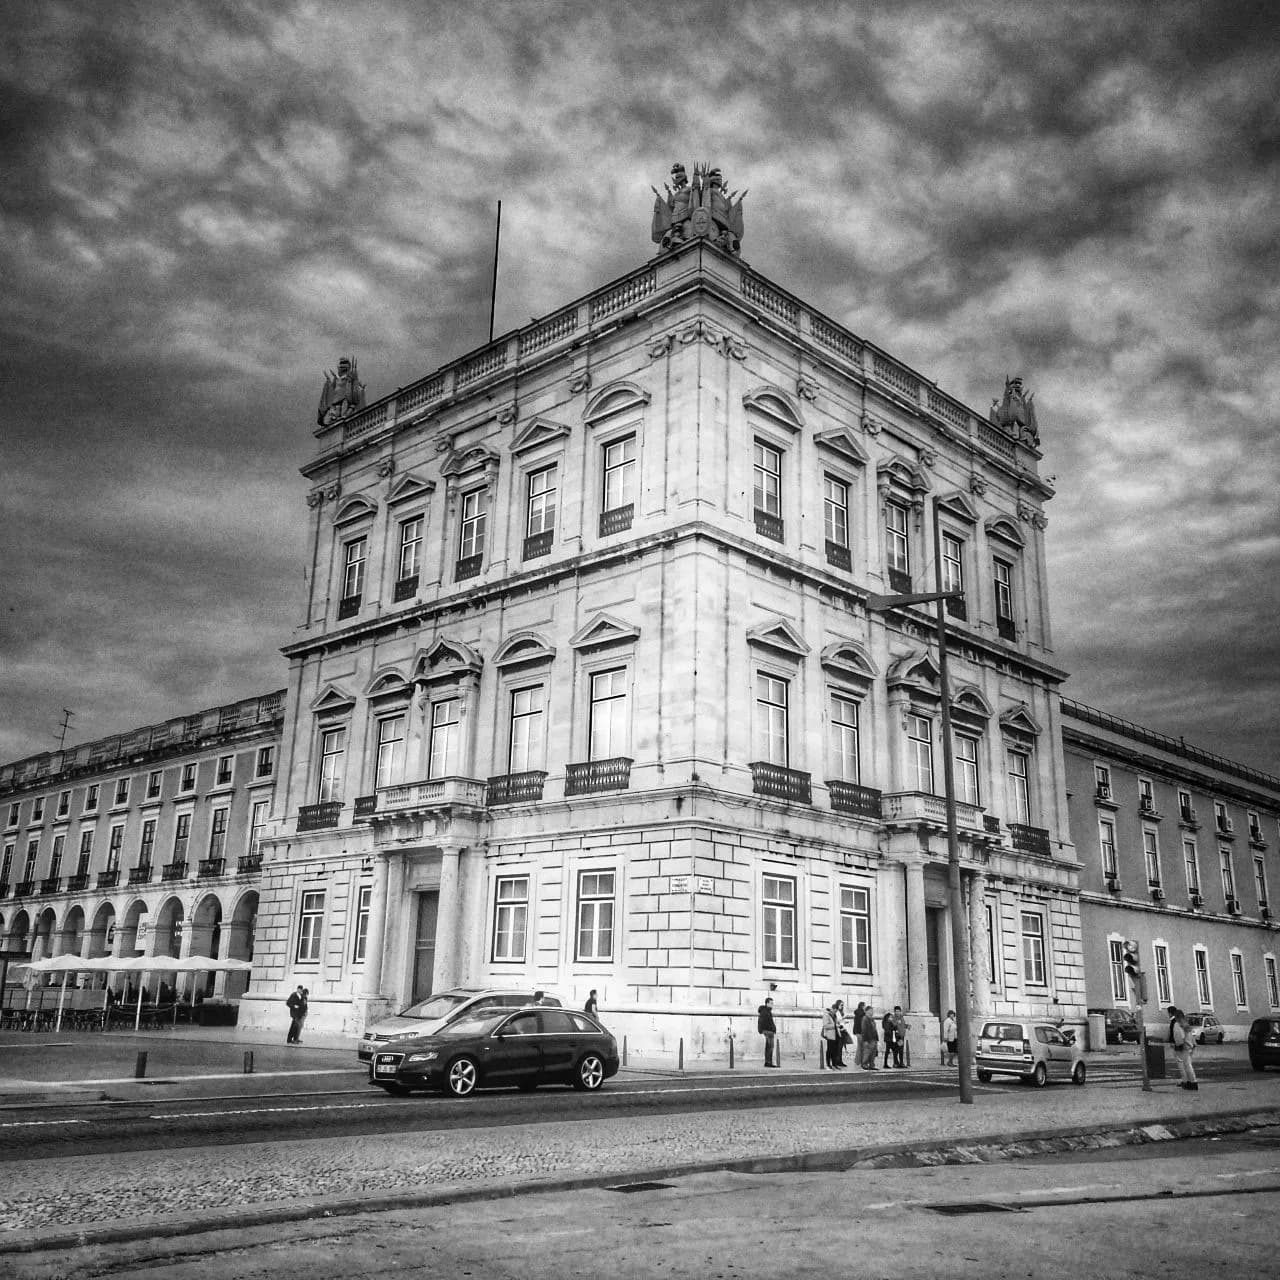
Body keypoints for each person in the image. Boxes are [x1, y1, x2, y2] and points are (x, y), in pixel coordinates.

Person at [1168, 1005, 1199, 1090]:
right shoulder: (1185, 1023)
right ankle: (1191, 1082)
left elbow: (1178, 1036)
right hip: (1190, 1046)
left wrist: (1178, 1045)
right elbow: (1191, 1034)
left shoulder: (1177, 1024)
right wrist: (1193, 1044)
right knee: (1188, 1065)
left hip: (1184, 1047)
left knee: (1186, 1066)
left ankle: (1192, 1082)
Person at [822, 1000, 845, 1069]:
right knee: (829, 1050)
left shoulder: (835, 1015)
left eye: (836, 1011)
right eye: (835, 1010)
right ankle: (828, 1064)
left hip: (836, 1035)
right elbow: (825, 1026)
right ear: (832, 1009)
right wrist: (835, 1025)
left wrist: (839, 1025)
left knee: (835, 1051)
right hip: (830, 1036)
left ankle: (834, 1064)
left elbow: (836, 1023)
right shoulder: (826, 1015)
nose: (835, 1012)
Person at [758, 996, 778, 1067]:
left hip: (768, 1031)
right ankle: (769, 1062)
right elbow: (763, 1022)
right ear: (767, 1003)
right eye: (771, 1003)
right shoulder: (765, 1012)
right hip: (768, 1031)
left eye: (772, 1003)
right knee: (770, 1047)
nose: (772, 1005)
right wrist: (772, 1029)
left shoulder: (766, 1011)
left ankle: (767, 1062)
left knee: (768, 1047)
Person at [860, 1004, 879, 1069]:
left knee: (873, 1053)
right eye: (871, 1010)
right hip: (868, 1039)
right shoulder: (865, 1018)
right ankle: (864, 1064)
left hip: (874, 1038)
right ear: (867, 1011)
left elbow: (875, 1029)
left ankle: (872, 1065)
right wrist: (865, 1040)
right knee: (867, 1052)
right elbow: (864, 1030)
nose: (872, 1012)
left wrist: (876, 1038)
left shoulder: (872, 1019)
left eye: (872, 1010)